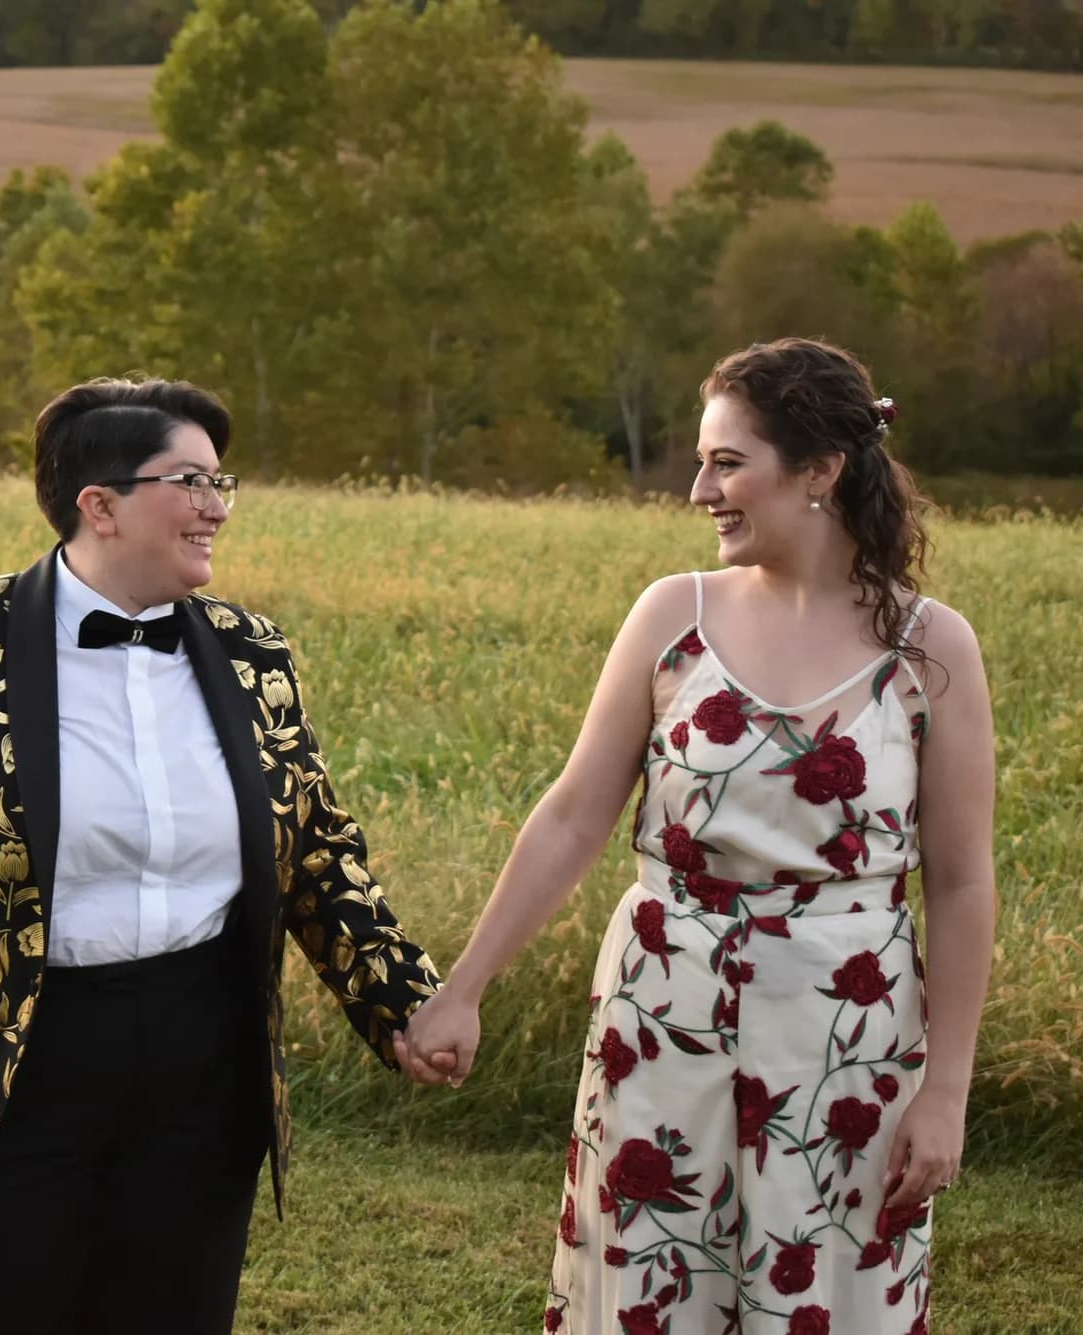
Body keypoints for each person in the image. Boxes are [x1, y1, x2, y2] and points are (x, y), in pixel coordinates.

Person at [0, 376, 442, 1335]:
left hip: (202, 1051)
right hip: (6, 1051)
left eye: (222, 482)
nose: (216, 506)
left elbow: (314, 848)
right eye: (190, 481)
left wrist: (400, 1000)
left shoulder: (251, 652)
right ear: (98, 506)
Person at [397, 338, 996, 1332]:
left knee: (828, 1291)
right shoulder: (670, 615)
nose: (696, 490)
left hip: (846, 1034)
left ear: (818, 472)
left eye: (726, 463)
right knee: (650, 1283)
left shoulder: (929, 647)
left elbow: (962, 880)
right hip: (658, 1008)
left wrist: (946, 1091)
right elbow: (573, 813)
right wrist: (462, 988)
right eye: (698, 461)